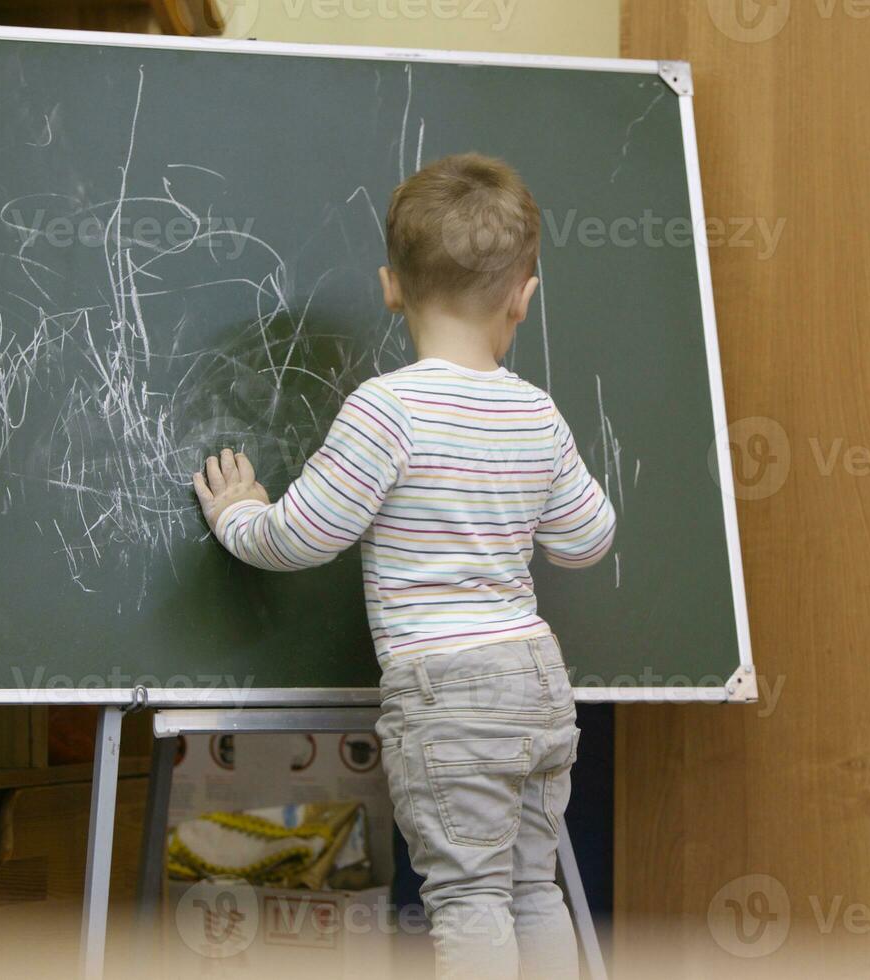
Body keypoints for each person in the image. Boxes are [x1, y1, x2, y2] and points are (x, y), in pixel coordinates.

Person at [193, 152, 616, 978]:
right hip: (536, 683)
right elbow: (588, 537)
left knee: (468, 899)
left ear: (391, 286)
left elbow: (303, 536)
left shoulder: (387, 410)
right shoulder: (537, 410)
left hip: (449, 694)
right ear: (523, 298)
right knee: (534, 888)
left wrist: (237, 513)